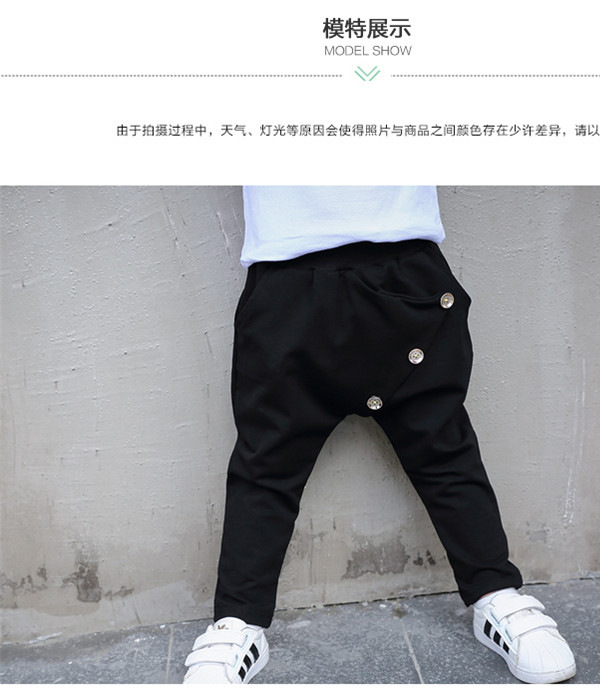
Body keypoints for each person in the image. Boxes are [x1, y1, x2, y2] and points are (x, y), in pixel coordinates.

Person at [183, 186, 576, 684]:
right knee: (265, 466)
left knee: (444, 451)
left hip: (405, 265)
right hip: (285, 271)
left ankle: (495, 592)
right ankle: (237, 621)